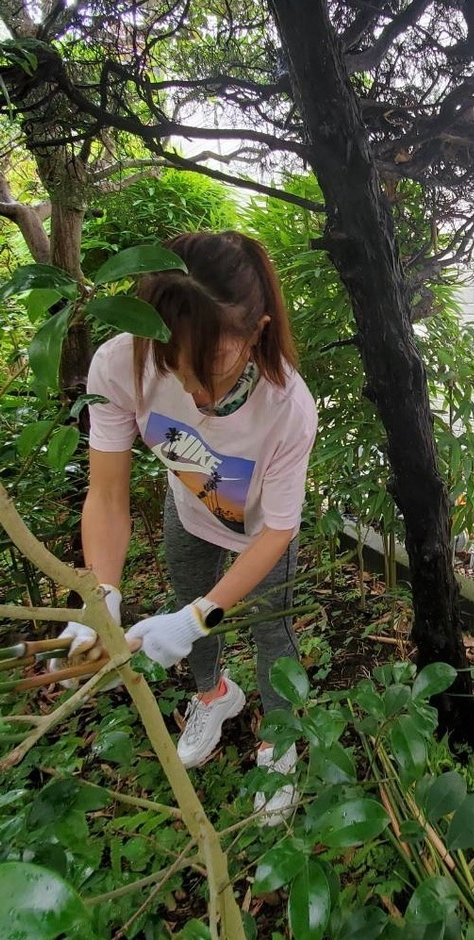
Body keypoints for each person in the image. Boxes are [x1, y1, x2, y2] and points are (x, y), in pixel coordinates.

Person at [54, 231, 318, 824]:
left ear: (258, 330)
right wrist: (102, 593)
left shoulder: (287, 406)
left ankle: (280, 740)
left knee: (272, 636)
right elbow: (107, 492)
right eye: (176, 365)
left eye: (213, 363)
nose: (195, 391)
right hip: (190, 508)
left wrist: (203, 615)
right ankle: (214, 696)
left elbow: (277, 530)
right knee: (182, 603)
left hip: (260, 533)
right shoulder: (121, 363)